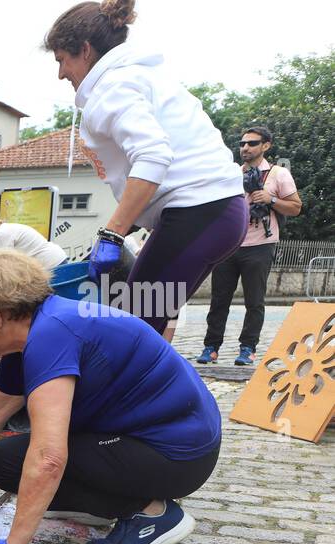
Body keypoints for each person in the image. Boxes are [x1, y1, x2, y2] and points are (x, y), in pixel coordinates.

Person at [0, 251, 220, 544]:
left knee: (30, 460)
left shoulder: (51, 335)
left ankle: (152, 512)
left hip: (178, 455)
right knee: (1, 461)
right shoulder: (32, 332)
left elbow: (49, 457)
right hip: (140, 439)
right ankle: (107, 503)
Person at [46, 0, 246, 343]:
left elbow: (153, 157)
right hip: (216, 211)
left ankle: (125, 395)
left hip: (199, 212)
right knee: (151, 320)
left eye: (62, 60)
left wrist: (113, 234)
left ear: (85, 50)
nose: (61, 73)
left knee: (130, 328)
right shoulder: (137, 76)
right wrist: (132, 221)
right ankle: (161, 390)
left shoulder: (113, 87)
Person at [200, 125, 302, 366]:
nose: (245, 147)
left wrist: (271, 199)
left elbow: (296, 207)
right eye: (242, 143)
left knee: (254, 301)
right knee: (218, 300)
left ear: (265, 146)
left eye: (252, 143)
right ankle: (211, 347)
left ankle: (248, 348)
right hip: (228, 245)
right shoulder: (232, 173)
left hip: (260, 245)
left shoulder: (278, 174)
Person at [0, 217, 67, 268]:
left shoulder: (2, 235)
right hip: (54, 261)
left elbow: (4, 266)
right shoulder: (6, 230)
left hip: (52, 264)